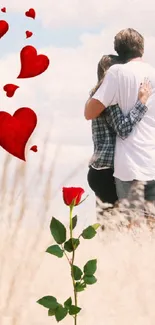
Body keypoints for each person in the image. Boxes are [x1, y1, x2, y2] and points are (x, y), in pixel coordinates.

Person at [85, 28, 155, 205]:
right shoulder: (111, 102)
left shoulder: (98, 96)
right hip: (108, 169)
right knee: (122, 225)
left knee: (110, 225)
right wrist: (141, 102)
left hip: (101, 168)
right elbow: (123, 129)